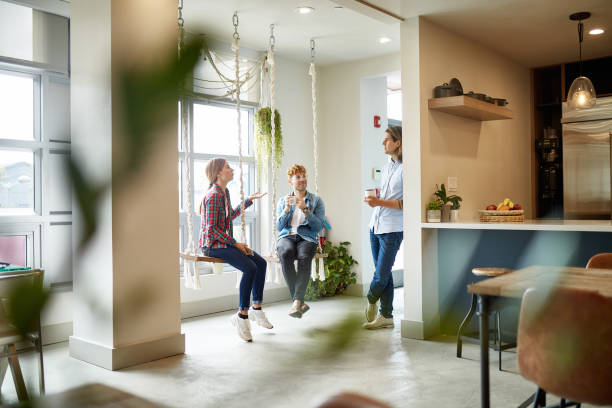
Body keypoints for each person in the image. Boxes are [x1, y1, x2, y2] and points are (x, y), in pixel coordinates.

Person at [199, 158, 271, 342]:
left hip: (224, 243)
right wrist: (234, 243)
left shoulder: (225, 192)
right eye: (228, 167)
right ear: (218, 173)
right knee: (250, 268)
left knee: (260, 263)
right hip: (212, 246)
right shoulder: (214, 196)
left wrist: (247, 201)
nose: (232, 170)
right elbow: (211, 230)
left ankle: (256, 308)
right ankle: (242, 315)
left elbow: (228, 217)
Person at [363, 126, 403, 329]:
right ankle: (386, 316)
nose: (383, 143)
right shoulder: (387, 166)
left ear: (398, 143)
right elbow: (388, 196)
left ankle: (371, 298)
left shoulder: (407, 168)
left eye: (387, 139)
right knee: (384, 274)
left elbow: (406, 202)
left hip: (393, 228)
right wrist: (376, 199)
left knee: (380, 275)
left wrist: (378, 202)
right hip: (375, 225)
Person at [276, 164, 325, 318]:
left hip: (307, 237)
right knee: (285, 252)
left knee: (305, 257)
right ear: (291, 181)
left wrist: (305, 209)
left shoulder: (316, 200)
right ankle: (299, 302)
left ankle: (297, 302)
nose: (302, 179)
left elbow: (318, 227)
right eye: (298, 177)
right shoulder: (283, 200)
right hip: (287, 236)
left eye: (304, 175)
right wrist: (285, 210)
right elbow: (279, 227)